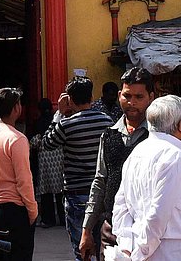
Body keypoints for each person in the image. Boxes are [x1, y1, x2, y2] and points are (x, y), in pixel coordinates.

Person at [110, 96, 181, 261]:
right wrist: (142, 252)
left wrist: (127, 247)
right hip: (171, 251)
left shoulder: (138, 152)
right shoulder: (173, 156)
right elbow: (158, 215)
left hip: (142, 246)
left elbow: (121, 206)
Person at [29, 77, 112, 261]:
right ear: (91, 96)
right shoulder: (106, 121)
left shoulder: (66, 124)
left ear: (70, 99)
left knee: (81, 251)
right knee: (103, 250)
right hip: (102, 194)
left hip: (77, 194)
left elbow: (47, 143)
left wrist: (58, 114)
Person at [80, 68, 153, 260]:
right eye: (127, 96)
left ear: (150, 97)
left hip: (150, 232)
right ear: (120, 95)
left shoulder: (158, 137)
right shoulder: (109, 135)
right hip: (111, 228)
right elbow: (100, 182)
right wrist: (86, 230)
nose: (132, 102)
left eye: (139, 96)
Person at [0, 87, 38, 261]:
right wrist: (32, 209)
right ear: (16, 108)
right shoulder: (17, 139)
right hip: (13, 208)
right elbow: (24, 180)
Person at [29, 97, 64, 228]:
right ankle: (63, 218)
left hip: (44, 160)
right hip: (59, 159)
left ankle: (48, 219)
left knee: (46, 192)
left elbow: (35, 141)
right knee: (61, 191)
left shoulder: (38, 123)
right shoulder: (58, 122)